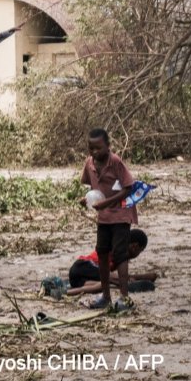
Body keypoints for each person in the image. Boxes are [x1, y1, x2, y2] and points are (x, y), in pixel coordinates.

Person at [79, 128, 138, 311]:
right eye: (91, 148)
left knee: (120, 255)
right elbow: (93, 187)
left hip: (120, 215)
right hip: (104, 218)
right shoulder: (89, 163)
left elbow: (128, 188)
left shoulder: (116, 162)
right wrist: (86, 199)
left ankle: (124, 298)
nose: (95, 152)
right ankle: (105, 296)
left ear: (108, 146)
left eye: (98, 148)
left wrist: (106, 202)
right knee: (102, 252)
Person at [66, 229, 157, 296]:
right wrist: (140, 277)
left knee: (104, 286)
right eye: (140, 251)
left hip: (77, 278)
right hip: (83, 265)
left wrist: (143, 277)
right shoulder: (119, 250)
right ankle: (128, 285)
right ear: (135, 246)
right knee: (113, 279)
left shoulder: (120, 250)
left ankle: (66, 292)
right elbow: (114, 275)